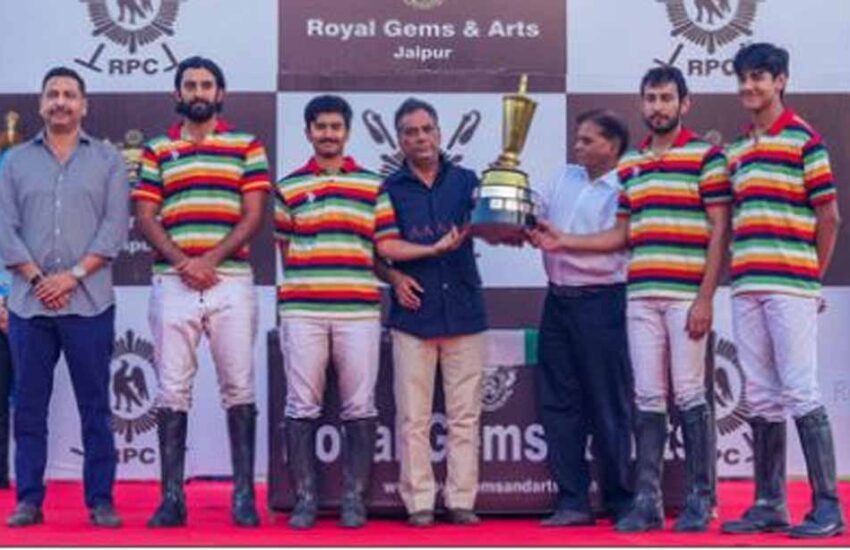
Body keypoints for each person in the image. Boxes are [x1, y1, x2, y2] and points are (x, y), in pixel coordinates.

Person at [529, 66, 731, 533]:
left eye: (666, 98)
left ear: (684, 103)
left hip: (673, 295)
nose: (657, 107)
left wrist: (706, 297)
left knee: (688, 395)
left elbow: (721, 230)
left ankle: (699, 501)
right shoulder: (634, 165)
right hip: (637, 295)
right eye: (650, 98)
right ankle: (646, 503)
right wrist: (558, 239)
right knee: (646, 397)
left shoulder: (707, 158)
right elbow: (623, 234)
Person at [133, 56, 271, 528]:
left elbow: (253, 215)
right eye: (189, 84)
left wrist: (209, 260)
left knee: (239, 387)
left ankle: (243, 497)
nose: (198, 92)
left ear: (220, 93)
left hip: (230, 279)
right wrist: (183, 262)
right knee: (172, 390)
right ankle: (171, 499)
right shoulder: (156, 149)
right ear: (177, 94)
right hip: (172, 280)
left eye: (206, 84)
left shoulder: (246, 145)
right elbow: (146, 216)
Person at [720, 43, 844, 539]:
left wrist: (811, 277)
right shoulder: (736, 149)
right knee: (760, 396)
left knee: (800, 390)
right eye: (744, 78)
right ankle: (770, 503)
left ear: (781, 81)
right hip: (746, 284)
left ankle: (828, 508)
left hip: (790, 284)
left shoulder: (804, 140)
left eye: (759, 77)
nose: (750, 86)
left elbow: (830, 218)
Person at [0, 67, 129, 527]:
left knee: (95, 407)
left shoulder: (109, 160)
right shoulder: (14, 161)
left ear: (83, 105)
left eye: (69, 95)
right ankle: (28, 500)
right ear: (40, 104)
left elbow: (114, 229)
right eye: (52, 94)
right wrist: (40, 280)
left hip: (89, 304)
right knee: (28, 408)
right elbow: (4, 229)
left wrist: (71, 277)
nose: (60, 102)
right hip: (29, 305)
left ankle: (101, 500)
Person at [274, 95, 400, 529]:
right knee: (301, 405)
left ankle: (354, 499)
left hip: (358, 310)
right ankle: (305, 500)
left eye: (335, 127)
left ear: (347, 132)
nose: (328, 134)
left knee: (360, 406)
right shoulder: (288, 186)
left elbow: (384, 248)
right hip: (302, 310)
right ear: (308, 132)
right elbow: (285, 250)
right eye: (320, 127)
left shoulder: (373, 186)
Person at [375, 98, 484, 528]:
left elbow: (491, 225)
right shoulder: (387, 189)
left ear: (439, 132)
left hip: (464, 310)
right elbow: (381, 248)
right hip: (414, 314)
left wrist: (506, 209)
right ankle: (418, 501)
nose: (420, 138)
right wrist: (400, 270)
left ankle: (461, 500)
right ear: (399, 139)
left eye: (427, 129)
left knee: (465, 416)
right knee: (413, 418)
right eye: (411, 132)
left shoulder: (467, 181)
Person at [527, 109, 634, 526]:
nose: (578, 146)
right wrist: (515, 211)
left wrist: (563, 241)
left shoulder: (627, 184)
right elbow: (534, 209)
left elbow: (619, 239)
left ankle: (620, 498)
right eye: (578, 139)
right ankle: (572, 500)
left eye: (588, 140)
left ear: (612, 146)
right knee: (558, 404)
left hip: (603, 302)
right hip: (557, 301)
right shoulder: (563, 177)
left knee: (608, 403)